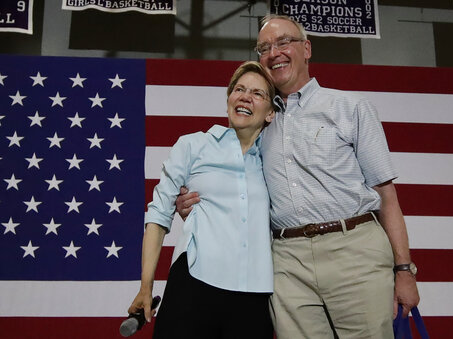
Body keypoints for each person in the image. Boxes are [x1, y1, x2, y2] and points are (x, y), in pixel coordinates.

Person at [177, 14, 420, 339]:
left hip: (354, 250)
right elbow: (232, 187)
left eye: (283, 42)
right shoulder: (256, 120)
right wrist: (194, 202)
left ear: (306, 48)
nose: (273, 52)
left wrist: (404, 270)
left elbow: (387, 195)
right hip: (286, 261)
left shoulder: (351, 107)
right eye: (264, 47)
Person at [127, 61, 276, 339]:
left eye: (257, 93)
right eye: (239, 89)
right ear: (229, 99)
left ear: (270, 113)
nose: (245, 96)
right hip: (195, 282)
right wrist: (146, 285)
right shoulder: (193, 145)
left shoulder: (276, 160)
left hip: (254, 294)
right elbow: (159, 215)